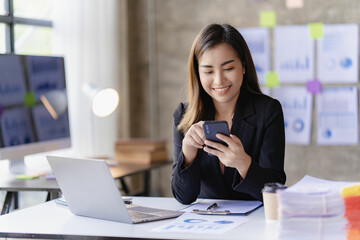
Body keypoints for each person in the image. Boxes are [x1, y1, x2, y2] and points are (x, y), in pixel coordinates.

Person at [171, 23, 286, 205]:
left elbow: (276, 191)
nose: (219, 80)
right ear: (198, 74)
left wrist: (243, 163)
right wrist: (188, 153)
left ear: (244, 66)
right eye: (208, 71)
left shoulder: (268, 111)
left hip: (254, 226)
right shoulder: (185, 115)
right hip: (206, 227)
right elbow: (183, 197)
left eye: (228, 68)